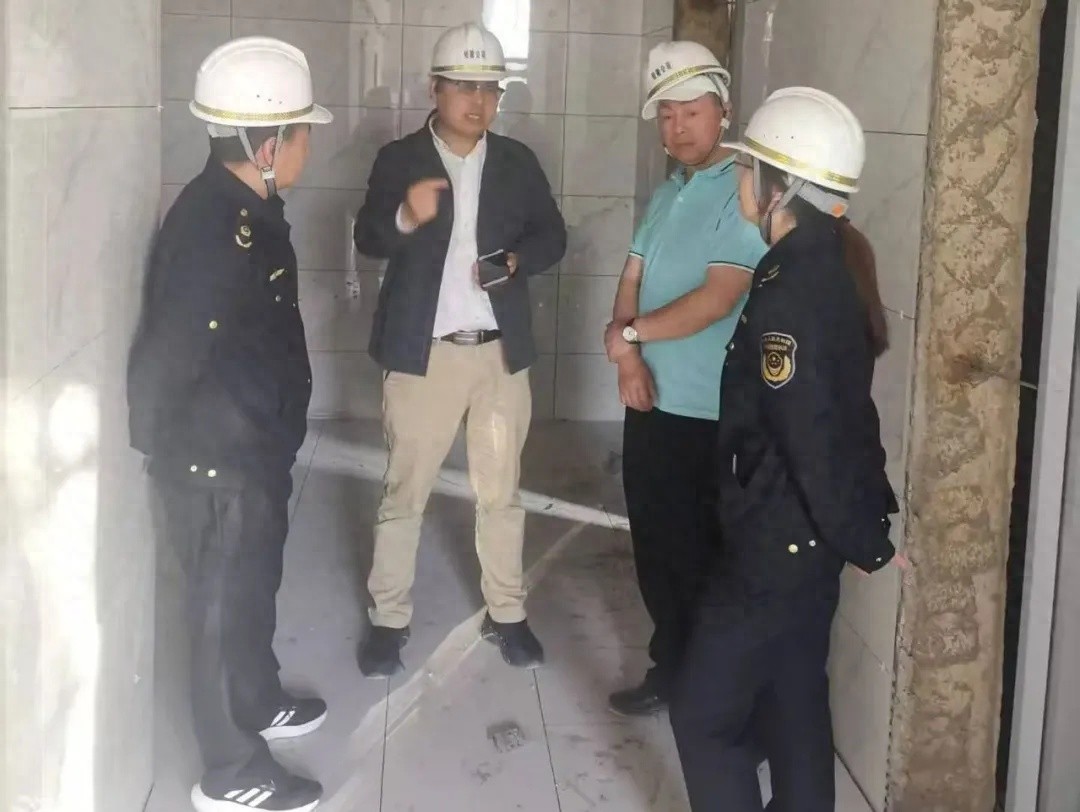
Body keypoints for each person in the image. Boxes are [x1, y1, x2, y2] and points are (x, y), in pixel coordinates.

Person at [666, 87, 907, 812]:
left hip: (778, 545)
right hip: (807, 542)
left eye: (749, 171)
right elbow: (848, 413)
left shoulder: (791, 288)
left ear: (783, 190)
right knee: (796, 695)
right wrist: (863, 526)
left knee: (702, 716)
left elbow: (814, 435)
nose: (740, 181)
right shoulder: (825, 263)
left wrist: (866, 539)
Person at [127, 37, 333, 812]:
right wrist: (178, 449)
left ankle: (257, 698)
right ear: (267, 145)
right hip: (217, 455)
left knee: (252, 584)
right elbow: (176, 347)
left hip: (252, 446)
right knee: (218, 608)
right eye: (303, 133)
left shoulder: (246, 208)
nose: (309, 146)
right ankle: (229, 770)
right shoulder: (215, 227)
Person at [352, 22, 566, 678]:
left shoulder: (517, 161)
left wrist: (516, 261)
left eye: (490, 89)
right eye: (465, 87)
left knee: (501, 493)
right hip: (425, 353)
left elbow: (553, 236)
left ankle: (508, 612)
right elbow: (368, 238)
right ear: (435, 89)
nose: (479, 101)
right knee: (404, 491)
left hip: (499, 356)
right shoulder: (399, 159)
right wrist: (405, 216)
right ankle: (389, 620)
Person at [603, 41, 768, 716]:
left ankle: (716, 696)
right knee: (656, 548)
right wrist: (628, 358)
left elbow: (718, 298)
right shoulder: (669, 192)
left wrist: (630, 337)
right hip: (650, 402)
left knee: (704, 557)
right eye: (666, 115)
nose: (677, 128)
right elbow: (632, 276)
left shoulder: (744, 190)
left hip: (709, 413)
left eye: (691, 112)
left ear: (723, 111)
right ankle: (670, 670)